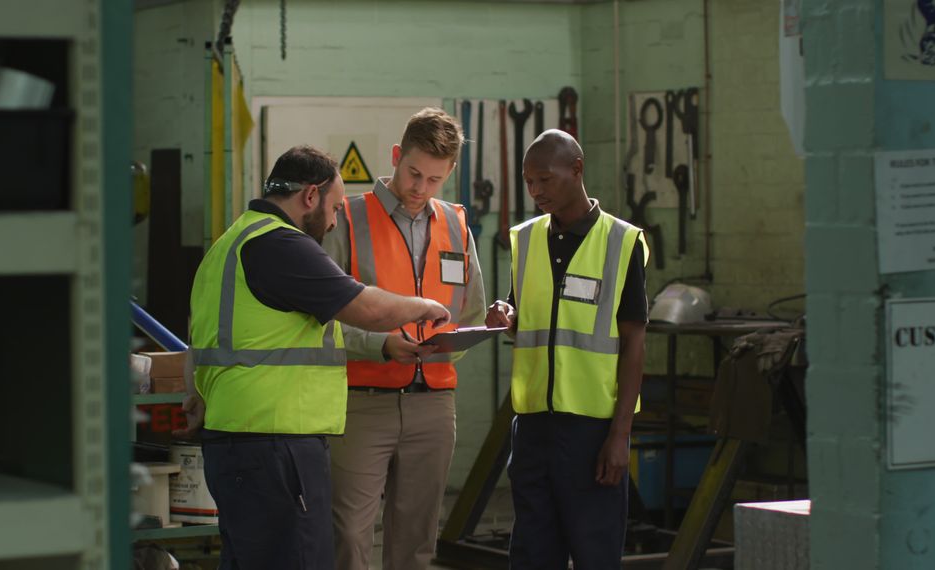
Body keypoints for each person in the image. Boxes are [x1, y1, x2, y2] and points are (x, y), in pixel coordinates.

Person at [179, 145, 452, 570]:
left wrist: (193, 393)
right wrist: (424, 306)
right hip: (277, 446)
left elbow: (198, 339)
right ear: (310, 196)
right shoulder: (280, 244)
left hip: (232, 440)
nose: (334, 219)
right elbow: (367, 308)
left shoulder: (228, 244)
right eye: (335, 207)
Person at [322, 108, 486, 570]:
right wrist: (381, 344)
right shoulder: (347, 220)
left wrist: (465, 335)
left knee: (416, 540)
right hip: (362, 401)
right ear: (397, 156)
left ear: (450, 173)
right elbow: (319, 318)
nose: (420, 188)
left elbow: (470, 310)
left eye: (435, 179)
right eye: (414, 173)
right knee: (349, 534)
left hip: (433, 405)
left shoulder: (456, 225)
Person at [485, 129, 649, 569]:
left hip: (592, 431)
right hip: (534, 426)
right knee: (533, 553)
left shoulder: (621, 242)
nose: (535, 191)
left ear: (576, 170)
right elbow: (522, 316)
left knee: (595, 551)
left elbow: (634, 342)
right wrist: (505, 316)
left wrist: (619, 436)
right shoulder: (525, 239)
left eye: (544, 179)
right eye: (528, 182)